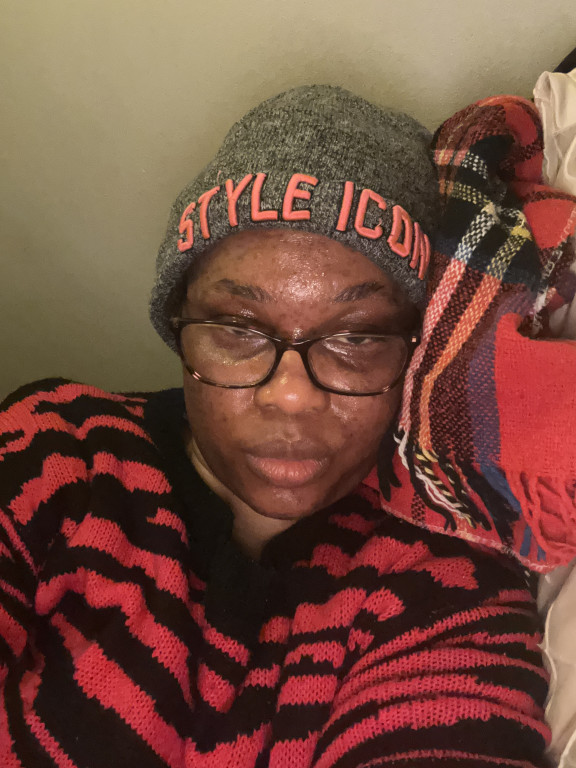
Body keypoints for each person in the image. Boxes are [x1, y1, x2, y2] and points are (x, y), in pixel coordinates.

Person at [0, 86, 552, 767]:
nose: (291, 396)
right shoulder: (55, 451)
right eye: (238, 328)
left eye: (359, 336)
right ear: (178, 326)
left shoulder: (445, 577)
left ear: (418, 352)